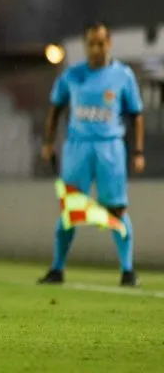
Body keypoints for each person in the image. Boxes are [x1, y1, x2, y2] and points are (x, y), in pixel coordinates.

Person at [38, 23, 145, 287]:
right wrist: (49, 142)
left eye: (100, 42)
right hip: (78, 146)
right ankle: (57, 268)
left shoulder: (123, 76)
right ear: (86, 45)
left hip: (110, 147)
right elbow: (56, 108)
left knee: (117, 208)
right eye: (91, 43)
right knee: (70, 208)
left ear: (109, 44)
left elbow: (136, 114)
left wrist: (138, 151)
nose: (96, 48)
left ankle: (128, 270)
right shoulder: (72, 75)